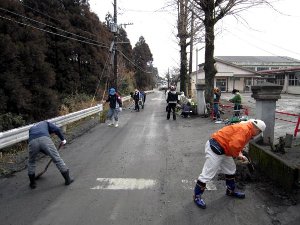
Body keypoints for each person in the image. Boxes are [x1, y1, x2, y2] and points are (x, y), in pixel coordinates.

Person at [193, 119, 266, 209]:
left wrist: (240, 155)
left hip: (224, 148)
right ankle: (197, 196)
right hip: (216, 148)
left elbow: (237, 144)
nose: (258, 134)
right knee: (208, 173)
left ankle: (230, 191)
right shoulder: (245, 130)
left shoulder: (248, 129)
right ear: (257, 129)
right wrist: (236, 157)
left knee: (231, 170)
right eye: (259, 132)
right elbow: (234, 146)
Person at [27, 121, 74, 189]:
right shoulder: (46, 123)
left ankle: (32, 183)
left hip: (32, 142)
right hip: (45, 139)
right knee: (57, 159)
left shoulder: (31, 128)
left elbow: (37, 144)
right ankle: (68, 180)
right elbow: (57, 129)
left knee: (31, 162)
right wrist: (63, 139)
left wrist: (46, 152)